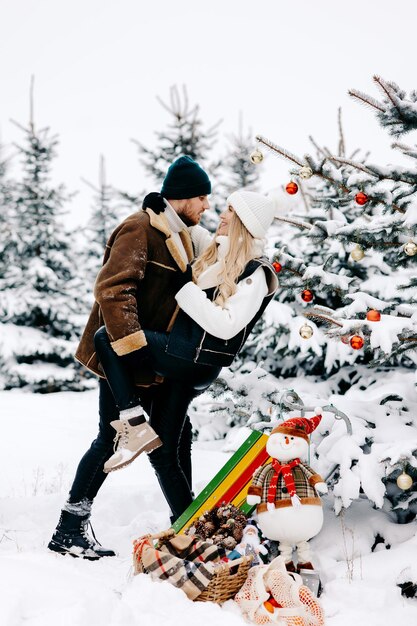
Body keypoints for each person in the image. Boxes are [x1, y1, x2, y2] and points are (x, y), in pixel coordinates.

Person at [48, 155, 213, 560]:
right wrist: (135, 352)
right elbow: (113, 291)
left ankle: (187, 523)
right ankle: (70, 528)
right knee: (111, 436)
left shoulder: (182, 236)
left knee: (175, 438)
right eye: (202, 198)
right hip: (124, 358)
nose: (207, 206)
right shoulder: (140, 229)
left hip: (153, 361)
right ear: (181, 198)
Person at [89, 190, 279, 527]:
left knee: (107, 336)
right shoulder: (219, 250)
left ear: (244, 222)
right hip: (183, 357)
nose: (220, 214)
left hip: (194, 358)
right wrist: (159, 204)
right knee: (164, 451)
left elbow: (226, 324)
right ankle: (188, 526)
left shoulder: (256, 272)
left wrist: (184, 288)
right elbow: (184, 225)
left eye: (230, 211)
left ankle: (132, 420)